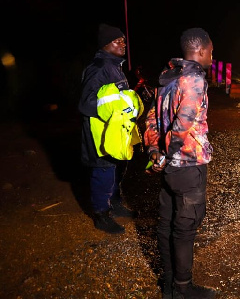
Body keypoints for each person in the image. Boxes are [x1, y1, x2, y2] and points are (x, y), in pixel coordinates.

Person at [144, 28, 217, 299]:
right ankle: (183, 289)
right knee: (185, 228)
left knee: (166, 224)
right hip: (186, 166)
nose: (212, 55)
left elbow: (151, 117)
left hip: (168, 168)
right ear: (200, 50)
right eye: (211, 50)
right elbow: (183, 123)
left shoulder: (168, 76)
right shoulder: (194, 79)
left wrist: (153, 150)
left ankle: (168, 284)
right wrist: (166, 154)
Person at [78, 23, 137, 235]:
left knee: (116, 168)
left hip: (115, 131)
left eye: (123, 40)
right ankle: (101, 215)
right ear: (105, 44)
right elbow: (85, 103)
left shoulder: (113, 66)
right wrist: (113, 109)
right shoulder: (99, 67)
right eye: (117, 41)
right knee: (103, 171)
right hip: (101, 133)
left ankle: (114, 202)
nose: (123, 44)